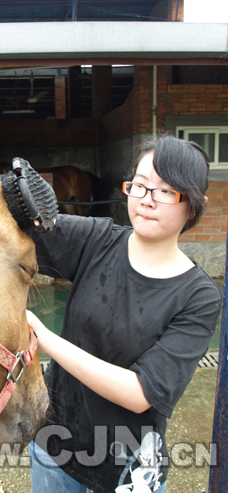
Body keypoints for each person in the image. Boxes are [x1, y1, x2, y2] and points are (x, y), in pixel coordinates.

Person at [26, 135, 222, 493]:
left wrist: (47, 341)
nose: (147, 200)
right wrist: (7, 197)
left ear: (193, 206)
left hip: (126, 472)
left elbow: (141, 392)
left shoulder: (199, 297)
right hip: (54, 447)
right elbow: (27, 233)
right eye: (140, 185)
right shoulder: (96, 239)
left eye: (165, 191)